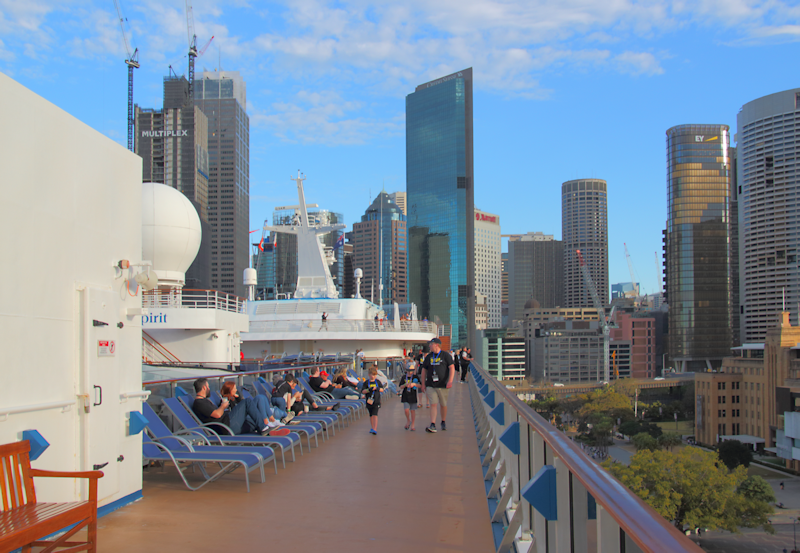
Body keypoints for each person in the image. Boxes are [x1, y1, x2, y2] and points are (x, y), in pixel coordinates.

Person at [192, 378, 275, 436]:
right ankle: (264, 428)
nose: (209, 388)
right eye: (208, 387)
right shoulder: (199, 403)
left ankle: (265, 427)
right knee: (247, 402)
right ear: (204, 388)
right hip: (227, 427)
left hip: (230, 426)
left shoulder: (203, 401)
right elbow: (217, 414)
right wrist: (223, 406)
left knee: (252, 422)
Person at [420, 337, 455, 433]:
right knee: (433, 404)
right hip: (431, 384)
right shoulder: (429, 357)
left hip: (443, 385)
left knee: (443, 404)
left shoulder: (446, 355)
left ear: (436, 345)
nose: (429, 346)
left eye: (431, 344)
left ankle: (443, 421)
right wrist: (423, 384)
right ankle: (433, 424)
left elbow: (452, 367)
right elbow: (424, 370)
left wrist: (450, 381)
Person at [220, 381, 286, 432]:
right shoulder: (225, 401)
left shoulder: (235, 398)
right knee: (258, 399)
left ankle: (270, 420)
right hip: (242, 420)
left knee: (261, 397)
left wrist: (238, 398)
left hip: (246, 416)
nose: (236, 390)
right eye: (234, 388)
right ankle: (267, 421)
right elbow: (234, 413)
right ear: (230, 390)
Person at [273, 374, 339, 416]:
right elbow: (288, 404)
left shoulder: (281, 387)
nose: (293, 388)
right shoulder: (286, 389)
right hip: (291, 408)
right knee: (305, 406)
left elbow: (288, 400)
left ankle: (330, 407)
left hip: (293, 405)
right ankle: (302, 410)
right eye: (293, 386)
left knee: (305, 397)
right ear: (291, 382)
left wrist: (295, 397)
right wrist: (295, 397)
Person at [361, 366, 384, 434]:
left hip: (376, 401)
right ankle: (372, 427)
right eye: (372, 375)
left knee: (375, 414)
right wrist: (369, 390)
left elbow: (382, 389)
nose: (373, 376)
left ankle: (375, 428)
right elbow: (363, 391)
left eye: (375, 375)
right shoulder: (366, 382)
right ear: (369, 375)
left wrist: (377, 389)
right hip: (369, 401)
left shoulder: (378, 382)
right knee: (371, 414)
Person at [399, 362, 420, 431]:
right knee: (406, 410)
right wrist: (405, 385)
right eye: (409, 371)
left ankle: (413, 424)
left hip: (413, 395)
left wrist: (414, 384)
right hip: (405, 395)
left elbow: (420, 385)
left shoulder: (415, 377)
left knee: (413, 410)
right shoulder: (403, 377)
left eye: (412, 371)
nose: (410, 372)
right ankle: (408, 420)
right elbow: (400, 386)